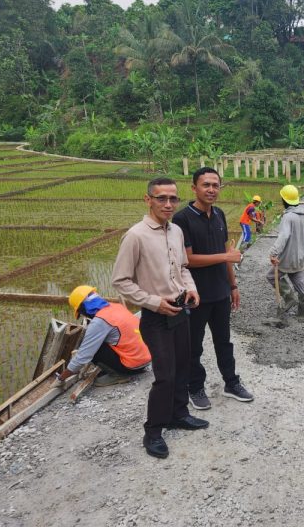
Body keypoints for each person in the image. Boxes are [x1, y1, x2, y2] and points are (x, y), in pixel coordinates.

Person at [112, 177, 207, 460]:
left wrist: (191, 288)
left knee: (182, 367)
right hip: (155, 317)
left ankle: (179, 414)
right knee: (164, 376)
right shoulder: (136, 236)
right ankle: (153, 431)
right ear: (148, 200)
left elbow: (183, 268)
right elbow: (121, 280)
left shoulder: (176, 231)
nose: (168, 204)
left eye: (172, 199)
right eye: (161, 198)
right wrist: (153, 302)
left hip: (180, 311)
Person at [172, 167, 254, 411]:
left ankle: (231, 382)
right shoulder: (181, 219)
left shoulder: (218, 214)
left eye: (215, 185)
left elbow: (226, 254)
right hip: (195, 296)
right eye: (206, 184)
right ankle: (195, 387)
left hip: (220, 293)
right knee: (193, 346)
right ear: (194, 187)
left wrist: (233, 285)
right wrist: (226, 256)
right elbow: (189, 259)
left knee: (224, 341)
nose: (211, 189)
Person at [57, 285, 152, 387]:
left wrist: (61, 378)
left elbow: (83, 356)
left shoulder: (99, 322)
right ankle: (120, 367)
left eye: (81, 313)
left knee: (94, 348)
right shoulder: (117, 307)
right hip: (149, 357)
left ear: (83, 308)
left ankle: (119, 375)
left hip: (134, 366)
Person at [267, 184, 304, 325]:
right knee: (299, 282)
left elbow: (283, 237)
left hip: (288, 257)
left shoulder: (289, 217)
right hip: (301, 256)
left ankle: (289, 297)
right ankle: (303, 311)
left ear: (284, 200)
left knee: (272, 276)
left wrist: (273, 252)